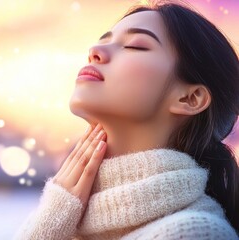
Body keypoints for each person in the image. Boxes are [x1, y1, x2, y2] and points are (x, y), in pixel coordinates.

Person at [14, 1, 239, 239]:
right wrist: (50, 220)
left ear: (190, 98)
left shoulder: (195, 232)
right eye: (103, 41)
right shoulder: (64, 218)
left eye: (135, 46)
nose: (94, 51)